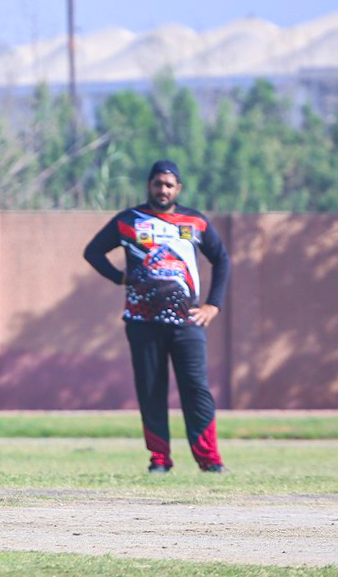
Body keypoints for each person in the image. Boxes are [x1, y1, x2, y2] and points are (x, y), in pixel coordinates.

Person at [84, 160, 230, 474]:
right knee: (151, 390)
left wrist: (213, 305)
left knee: (196, 389)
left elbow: (222, 259)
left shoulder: (195, 222)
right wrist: (119, 277)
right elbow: (93, 252)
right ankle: (160, 460)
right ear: (148, 186)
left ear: (178, 189)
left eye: (169, 185)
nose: (163, 190)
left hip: (188, 323)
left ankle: (210, 460)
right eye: (157, 184)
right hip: (142, 322)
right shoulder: (129, 220)